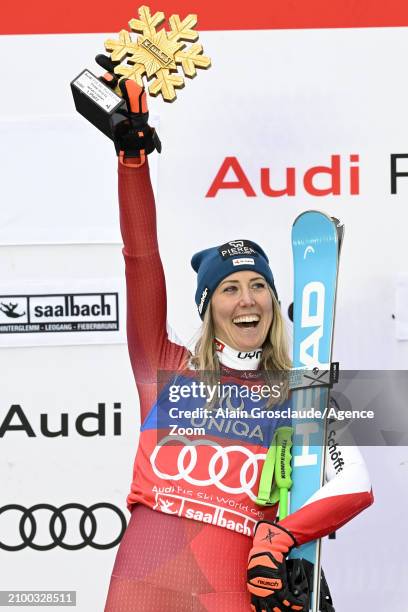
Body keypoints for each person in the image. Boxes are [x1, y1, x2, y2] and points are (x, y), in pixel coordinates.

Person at [101, 72, 374, 612]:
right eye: (230, 288)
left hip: (230, 586)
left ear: (273, 301)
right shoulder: (165, 366)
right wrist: (133, 161)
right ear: (208, 307)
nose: (247, 300)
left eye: (259, 287)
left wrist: (282, 535)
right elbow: (141, 259)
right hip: (142, 585)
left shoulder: (301, 390)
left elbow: (356, 485)